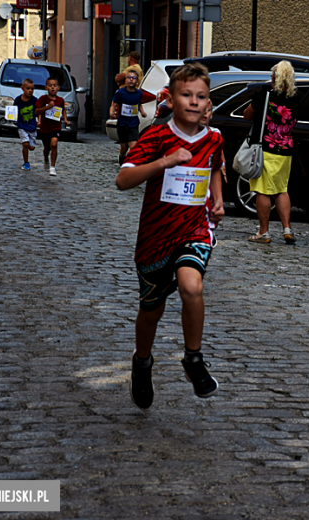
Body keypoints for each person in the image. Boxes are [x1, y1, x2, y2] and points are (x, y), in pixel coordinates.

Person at [115, 62, 225, 409]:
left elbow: (215, 168)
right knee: (152, 310)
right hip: (155, 237)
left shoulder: (214, 138)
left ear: (208, 103)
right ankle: (142, 363)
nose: (194, 102)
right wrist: (164, 162)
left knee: (192, 286)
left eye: (201, 96)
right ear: (171, 99)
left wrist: (218, 200)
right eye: (186, 94)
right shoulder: (157, 136)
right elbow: (123, 180)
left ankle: (193, 359)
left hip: (195, 229)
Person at [243, 60, 301, 245]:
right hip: (285, 150)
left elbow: (247, 115)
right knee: (282, 190)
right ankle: (287, 229)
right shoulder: (295, 100)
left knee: (263, 191)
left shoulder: (264, 95)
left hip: (265, 148)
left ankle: (264, 232)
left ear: (275, 78)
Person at [110, 70, 146, 165]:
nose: (131, 80)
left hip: (133, 123)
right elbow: (114, 104)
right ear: (125, 80)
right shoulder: (120, 93)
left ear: (137, 81)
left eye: (133, 78)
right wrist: (111, 112)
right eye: (129, 77)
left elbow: (139, 104)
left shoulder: (139, 93)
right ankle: (122, 156)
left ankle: (131, 164)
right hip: (122, 123)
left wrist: (142, 112)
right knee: (124, 148)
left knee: (133, 147)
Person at [35, 77, 69, 176]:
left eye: (54, 85)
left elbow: (63, 110)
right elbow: (37, 111)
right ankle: (46, 158)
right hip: (45, 127)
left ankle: (53, 167)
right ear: (46, 87)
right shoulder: (43, 98)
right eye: (50, 85)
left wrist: (66, 120)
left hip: (56, 126)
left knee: (54, 144)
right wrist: (47, 107)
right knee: (47, 148)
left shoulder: (60, 100)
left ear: (58, 88)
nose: (52, 87)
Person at [14, 79, 38, 170]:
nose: (30, 91)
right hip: (22, 126)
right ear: (22, 88)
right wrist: (11, 118)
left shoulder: (35, 100)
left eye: (32, 89)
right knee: (25, 144)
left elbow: (39, 111)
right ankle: (26, 162)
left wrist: (39, 120)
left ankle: (29, 149)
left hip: (32, 126)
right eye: (28, 88)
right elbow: (13, 111)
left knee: (31, 147)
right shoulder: (18, 100)